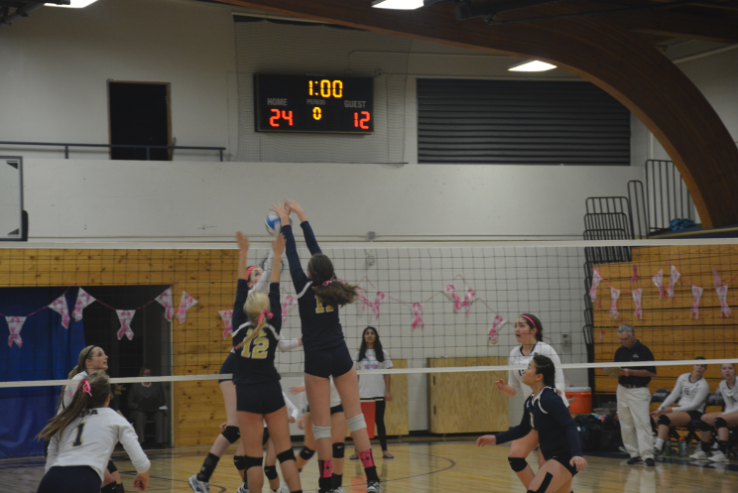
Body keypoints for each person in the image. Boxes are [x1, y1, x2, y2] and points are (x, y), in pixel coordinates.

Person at [273, 199, 381, 493]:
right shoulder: (332, 285)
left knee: (321, 429)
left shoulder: (302, 284)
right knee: (355, 419)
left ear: (309, 272)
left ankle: (326, 485)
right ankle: (373, 479)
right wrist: (302, 214)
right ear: (327, 272)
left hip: (317, 360)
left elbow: (293, 251)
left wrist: (285, 221)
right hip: (341, 355)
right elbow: (312, 248)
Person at [189, 233, 300, 493]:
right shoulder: (263, 311)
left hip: (248, 379)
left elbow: (281, 343)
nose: (259, 276)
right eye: (255, 274)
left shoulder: (244, 319)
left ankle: (231, 483)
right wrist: (276, 256)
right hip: (240, 372)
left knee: (243, 444)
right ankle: (202, 477)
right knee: (241, 432)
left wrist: (244, 252)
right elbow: (264, 286)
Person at [233, 233, 302, 493]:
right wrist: (277, 253)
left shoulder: (238, 324)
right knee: (285, 454)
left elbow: (241, 286)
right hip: (271, 388)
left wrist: (243, 251)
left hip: (247, 391)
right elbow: (274, 286)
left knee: (253, 458)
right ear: (269, 309)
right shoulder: (274, 326)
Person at [478, 355, 587, 493]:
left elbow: (570, 425)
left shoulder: (549, 398)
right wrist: (496, 438)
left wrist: (577, 454)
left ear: (538, 377)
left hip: (565, 458)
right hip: (554, 457)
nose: (524, 370)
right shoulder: (531, 400)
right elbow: (523, 429)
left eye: (529, 368)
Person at [37, 371, 151, 493]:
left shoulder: (69, 416)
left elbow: (52, 450)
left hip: (51, 479)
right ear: (108, 398)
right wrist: (143, 477)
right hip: (84, 480)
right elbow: (142, 463)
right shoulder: (114, 418)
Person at [492, 314, 567, 488]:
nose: (517, 329)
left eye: (522, 326)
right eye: (516, 325)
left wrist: (544, 396)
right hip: (534, 415)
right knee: (516, 456)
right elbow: (513, 390)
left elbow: (560, 383)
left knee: (547, 466)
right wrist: (505, 389)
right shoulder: (513, 354)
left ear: (534, 330)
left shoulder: (545, 350)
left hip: (553, 414)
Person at [59, 345, 125, 493]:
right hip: (69, 439)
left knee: (117, 483)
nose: (106, 357)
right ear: (88, 362)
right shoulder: (79, 381)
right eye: (100, 354)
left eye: (105, 353)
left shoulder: (103, 382)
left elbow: (114, 410)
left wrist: (125, 427)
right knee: (107, 481)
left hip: (87, 437)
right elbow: (85, 413)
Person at [291, 378, 348, 492]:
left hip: (336, 406)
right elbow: (304, 389)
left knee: (338, 447)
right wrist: (302, 414)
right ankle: (289, 481)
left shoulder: (337, 363)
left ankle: (336, 486)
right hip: (314, 408)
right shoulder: (313, 364)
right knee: (309, 449)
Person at [612, 324, 657, 466]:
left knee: (642, 423)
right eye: (621, 339)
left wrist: (632, 372)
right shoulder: (619, 351)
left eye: (625, 339)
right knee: (625, 423)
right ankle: (634, 453)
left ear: (633, 336)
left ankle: (647, 455)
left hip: (638, 390)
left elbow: (652, 372)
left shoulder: (644, 351)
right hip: (622, 389)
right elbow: (616, 369)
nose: (623, 342)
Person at [651, 357, 710, 456]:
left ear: (705, 369)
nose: (699, 368)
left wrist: (672, 409)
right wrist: (660, 409)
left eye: (702, 366)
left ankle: (658, 448)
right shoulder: (683, 377)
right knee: (651, 418)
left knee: (664, 419)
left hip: (694, 413)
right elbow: (673, 395)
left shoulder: (703, 385)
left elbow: (694, 405)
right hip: (680, 410)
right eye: (697, 365)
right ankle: (649, 444)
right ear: (692, 365)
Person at [351, 326, 393, 459]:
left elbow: (387, 374)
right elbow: (355, 375)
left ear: (376, 336)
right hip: (363, 395)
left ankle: (384, 451)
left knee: (379, 422)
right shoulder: (358, 354)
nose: (369, 335)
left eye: (372, 333)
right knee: (360, 424)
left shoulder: (383, 353)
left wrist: (388, 391)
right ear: (364, 336)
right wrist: (354, 392)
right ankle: (357, 451)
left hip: (378, 394)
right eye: (367, 333)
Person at [691, 362, 738, 463]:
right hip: (733, 411)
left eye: (730, 368)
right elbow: (729, 405)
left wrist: (725, 415)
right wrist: (726, 413)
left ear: (735, 370)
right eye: (724, 368)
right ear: (721, 371)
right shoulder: (722, 384)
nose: (727, 371)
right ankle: (705, 450)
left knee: (720, 419)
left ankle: (723, 453)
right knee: (705, 418)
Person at [127, 367, 166, 448]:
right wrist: (140, 406)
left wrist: (153, 404)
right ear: (141, 375)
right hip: (139, 410)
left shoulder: (157, 385)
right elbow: (130, 403)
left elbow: (162, 400)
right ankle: (141, 442)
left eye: (149, 374)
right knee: (140, 415)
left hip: (153, 410)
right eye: (145, 374)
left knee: (160, 414)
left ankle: (160, 442)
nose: (147, 376)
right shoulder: (136, 386)